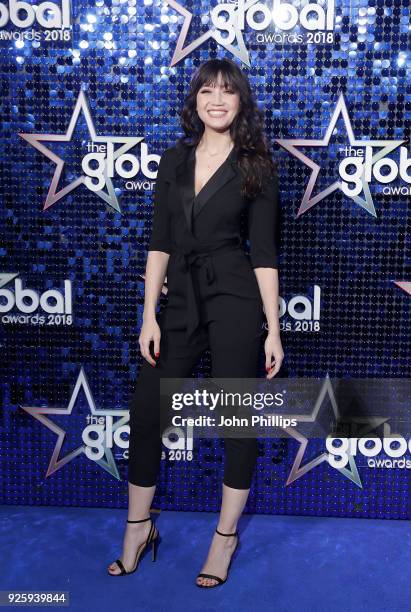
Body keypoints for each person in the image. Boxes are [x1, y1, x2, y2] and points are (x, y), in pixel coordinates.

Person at [108, 58, 284, 587]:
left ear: (240, 101)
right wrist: (149, 316)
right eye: (207, 90)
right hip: (180, 301)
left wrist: (273, 328)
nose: (217, 99)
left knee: (236, 424)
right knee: (145, 413)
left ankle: (224, 539)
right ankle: (138, 529)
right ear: (196, 100)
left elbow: (265, 254)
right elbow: (159, 241)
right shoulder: (172, 161)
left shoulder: (257, 164)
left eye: (227, 91)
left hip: (235, 299)